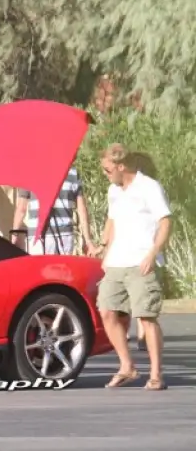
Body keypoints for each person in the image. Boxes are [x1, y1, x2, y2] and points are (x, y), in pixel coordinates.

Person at [90, 143, 171, 390]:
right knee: (107, 311)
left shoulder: (149, 187)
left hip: (141, 260)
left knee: (146, 316)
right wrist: (103, 246)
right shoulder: (113, 191)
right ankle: (128, 367)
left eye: (107, 170)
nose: (105, 174)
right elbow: (112, 220)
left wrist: (153, 254)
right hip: (116, 261)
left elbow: (166, 222)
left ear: (120, 166)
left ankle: (156, 374)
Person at [11, 166, 96, 255]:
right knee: (62, 268)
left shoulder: (29, 171)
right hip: (65, 236)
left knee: (40, 268)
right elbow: (81, 209)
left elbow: (21, 209)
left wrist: (14, 236)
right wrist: (88, 240)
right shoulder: (72, 171)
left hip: (38, 236)